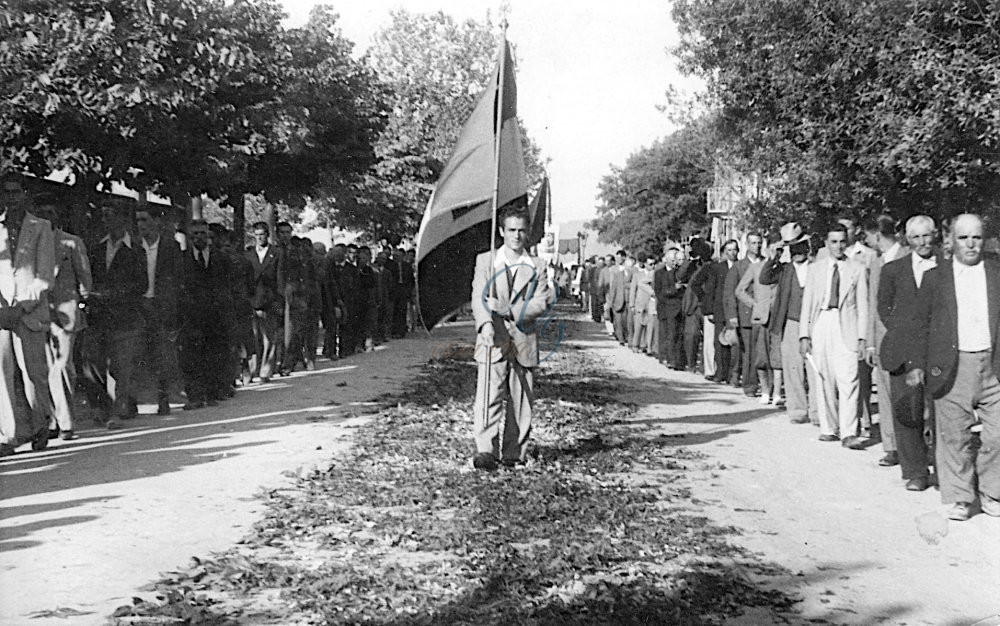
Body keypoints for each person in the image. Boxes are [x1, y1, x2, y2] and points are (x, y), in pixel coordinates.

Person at [907, 214, 1000, 521]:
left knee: (997, 435)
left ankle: (992, 492)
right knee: (954, 436)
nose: (971, 244)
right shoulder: (937, 277)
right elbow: (919, 324)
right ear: (951, 241)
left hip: (993, 365)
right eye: (964, 238)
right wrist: (916, 365)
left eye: (976, 237)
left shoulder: (997, 272)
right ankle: (961, 497)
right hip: (952, 366)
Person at [470, 205, 554, 471]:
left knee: (521, 399)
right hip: (492, 339)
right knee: (489, 395)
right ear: (501, 231)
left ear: (527, 233)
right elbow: (478, 297)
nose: (516, 236)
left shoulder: (537, 266)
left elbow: (542, 302)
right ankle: (485, 449)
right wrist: (485, 324)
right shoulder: (486, 261)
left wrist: (510, 310)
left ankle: (513, 452)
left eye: (521, 231)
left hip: (523, 339)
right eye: (511, 230)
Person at [878, 215, 937, 491]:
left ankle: (943, 467)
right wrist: (905, 333)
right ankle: (915, 471)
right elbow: (884, 308)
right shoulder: (892, 270)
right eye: (916, 237)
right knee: (906, 412)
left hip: (937, 353)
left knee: (938, 412)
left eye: (927, 235)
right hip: (901, 351)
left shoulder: (948, 268)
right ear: (907, 240)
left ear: (935, 235)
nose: (923, 242)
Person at [799, 222, 868, 449]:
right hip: (822, 322)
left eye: (842, 242)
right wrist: (804, 335)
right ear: (827, 244)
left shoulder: (856, 268)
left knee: (849, 379)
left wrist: (862, 337)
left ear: (847, 242)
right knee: (823, 377)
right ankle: (828, 428)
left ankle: (849, 432)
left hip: (845, 324)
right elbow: (807, 303)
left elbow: (863, 305)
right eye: (834, 242)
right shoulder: (816, 268)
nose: (838, 246)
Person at [0, 179, 55, 456]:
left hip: (29, 310)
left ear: (25, 195)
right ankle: (8, 435)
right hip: (1, 312)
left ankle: (40, 424)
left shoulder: (40, 227)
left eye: (16, 192)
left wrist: (21, 306)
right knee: (3, 373)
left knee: (35, 373)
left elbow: (45, 275)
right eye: (6, 192)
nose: (11, 198)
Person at [81, 200, 147, 430]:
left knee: (123, 366)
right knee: (93, 363)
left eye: (109, 216)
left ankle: (123, 405)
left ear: (122, 219)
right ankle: (102, 407)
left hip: (126, 317)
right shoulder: (96, 248)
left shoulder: (137, 250)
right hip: (99, 317)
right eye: (103, 216)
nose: (105, 221)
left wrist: (110, 294)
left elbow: (141, 284)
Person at [35, 196, 90, 441]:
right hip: (37, 310)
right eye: (42, 212)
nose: (47, 216)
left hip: (66, 310)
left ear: (57, 216)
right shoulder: (32, 243)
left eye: (51, 211)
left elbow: (84, 277)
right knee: (45, 367)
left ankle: (66, 421)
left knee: (62, 365)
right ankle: (54, 420)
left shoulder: (71, 242)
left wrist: (82, 302)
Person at [864, 214, 909, 469]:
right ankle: (891, 447)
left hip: (906, 337)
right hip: (881, 338)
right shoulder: (876, 262)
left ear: (877, 235)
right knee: (884, 391)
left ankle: (913, 445)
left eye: (869, 236)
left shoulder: (907, 256)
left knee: (908, 393)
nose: (867, 241)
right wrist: (870, 342)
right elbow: (872, 303)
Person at [759, 223, 816, 425]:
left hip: (814, 323)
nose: (797, 252)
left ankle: (818, 412)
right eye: (793, 248)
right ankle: (798, 411)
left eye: (800, 247)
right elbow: (764, 278)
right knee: (793, 368)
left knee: (815, 369)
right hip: (791, 322)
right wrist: (774, 256)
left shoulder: (816, 267)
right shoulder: (784, 269)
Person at [178, 220, 232, 409]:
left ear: (208, 235)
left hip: (215, 316)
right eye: (194, 235)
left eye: (201, 233)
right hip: (191, 316)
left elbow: (227, 287)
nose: (198, 238)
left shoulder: (221, 258)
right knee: (191, 356)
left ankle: (211, 392)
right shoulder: (183, 259)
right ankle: (194, 396)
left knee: (214, 353)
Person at [135, 204, 183, 415]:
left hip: (161, 306)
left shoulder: (170, 247)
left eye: (145, 220)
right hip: (139, 305)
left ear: (156, 222)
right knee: (136, 353)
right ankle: (131, 400)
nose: (141, 225)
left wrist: (173, 306)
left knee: (162, 353)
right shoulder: (135, 246)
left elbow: (178, 279)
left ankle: (162, 397)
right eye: (138, 220)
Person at [736, 237, 780, 404]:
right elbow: (739, 290)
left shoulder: (782, 268)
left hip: (777, 316)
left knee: (777, 356)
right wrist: (754, 305)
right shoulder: (755, 268)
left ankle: (777, 393)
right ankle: (765, 391)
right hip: (760, 317)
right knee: (761, 357)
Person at [694, 239, 739, 384]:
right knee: (719, 343)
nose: (732, 253)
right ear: (725, 252)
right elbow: (711, 290)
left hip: (735, 309)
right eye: (730, 250)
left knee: (735, 343)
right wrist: (709, 310)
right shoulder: (717, 268)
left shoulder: (741, 267)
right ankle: (721, 372)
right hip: (719, 309)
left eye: (735, 250)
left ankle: (733, 374)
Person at [725, 233, 764, 396]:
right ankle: (750, 385)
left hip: (763, 314)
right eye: (753, 243)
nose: (757, 246)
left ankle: (764, 384)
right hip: (746, 316)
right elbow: (729, 293)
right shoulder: (739, 267)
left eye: (759, 243)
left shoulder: (765, 263)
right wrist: (732, 316)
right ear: (747, 245)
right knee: (748, 352)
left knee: (761, 351)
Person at [245, 222, 282, 382]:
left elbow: (280, 278)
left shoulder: (277, 253)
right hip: (252, 299)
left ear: (268, 235)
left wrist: (278, 300)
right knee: (253, 336)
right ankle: (252, 369)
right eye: (257, 234)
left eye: (262, 234)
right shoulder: (248, 254)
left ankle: (265, 370)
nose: (260, 237)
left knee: (269, 337)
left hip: (269, 299)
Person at [654, 248, 685, 369]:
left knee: (674, 334)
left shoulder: (678, 273)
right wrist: (674, 289)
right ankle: (664, 357)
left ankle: (674, 359)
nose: (674, 263)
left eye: (676, 260)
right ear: (666, 260)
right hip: (664, 308)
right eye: (672, 260)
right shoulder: (659, 273)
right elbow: (659, 292)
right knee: (665, 334)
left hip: (676, 309)